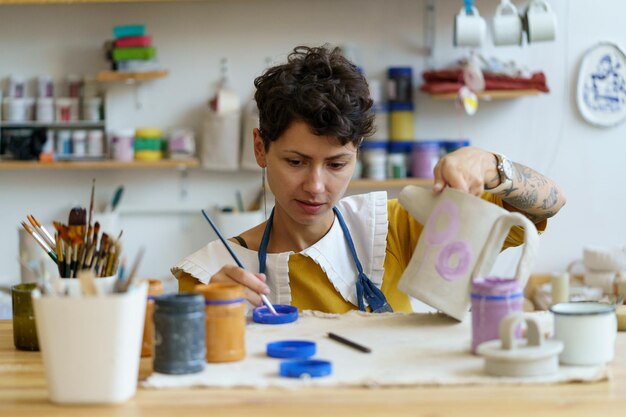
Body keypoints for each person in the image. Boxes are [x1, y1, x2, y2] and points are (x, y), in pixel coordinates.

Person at [172, 45, 566, 313]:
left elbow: (551, 202)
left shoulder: (392, 229)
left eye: (337, 164)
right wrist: (210, 316)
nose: (316, 185)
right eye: (296, 161)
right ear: (261, 148)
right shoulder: (214, 272)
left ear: (357, 154)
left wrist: (492, 165)